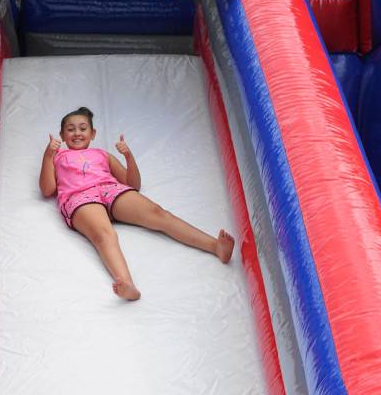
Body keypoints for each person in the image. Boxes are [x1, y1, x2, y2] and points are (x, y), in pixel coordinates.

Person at [39, 107, 235, 301]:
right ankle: (126, 283)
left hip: (110, 189)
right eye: (71, 129)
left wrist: (129, 157)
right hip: (79, 196)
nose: (77, 133)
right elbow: (47, 189)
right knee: (103, 234)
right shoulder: (57, 157)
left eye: (82, 128)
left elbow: (132, 184)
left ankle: (215, 246)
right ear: (62, 135)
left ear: (93, 133)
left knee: (159, 214)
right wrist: (48, 156)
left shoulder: (103, 154)